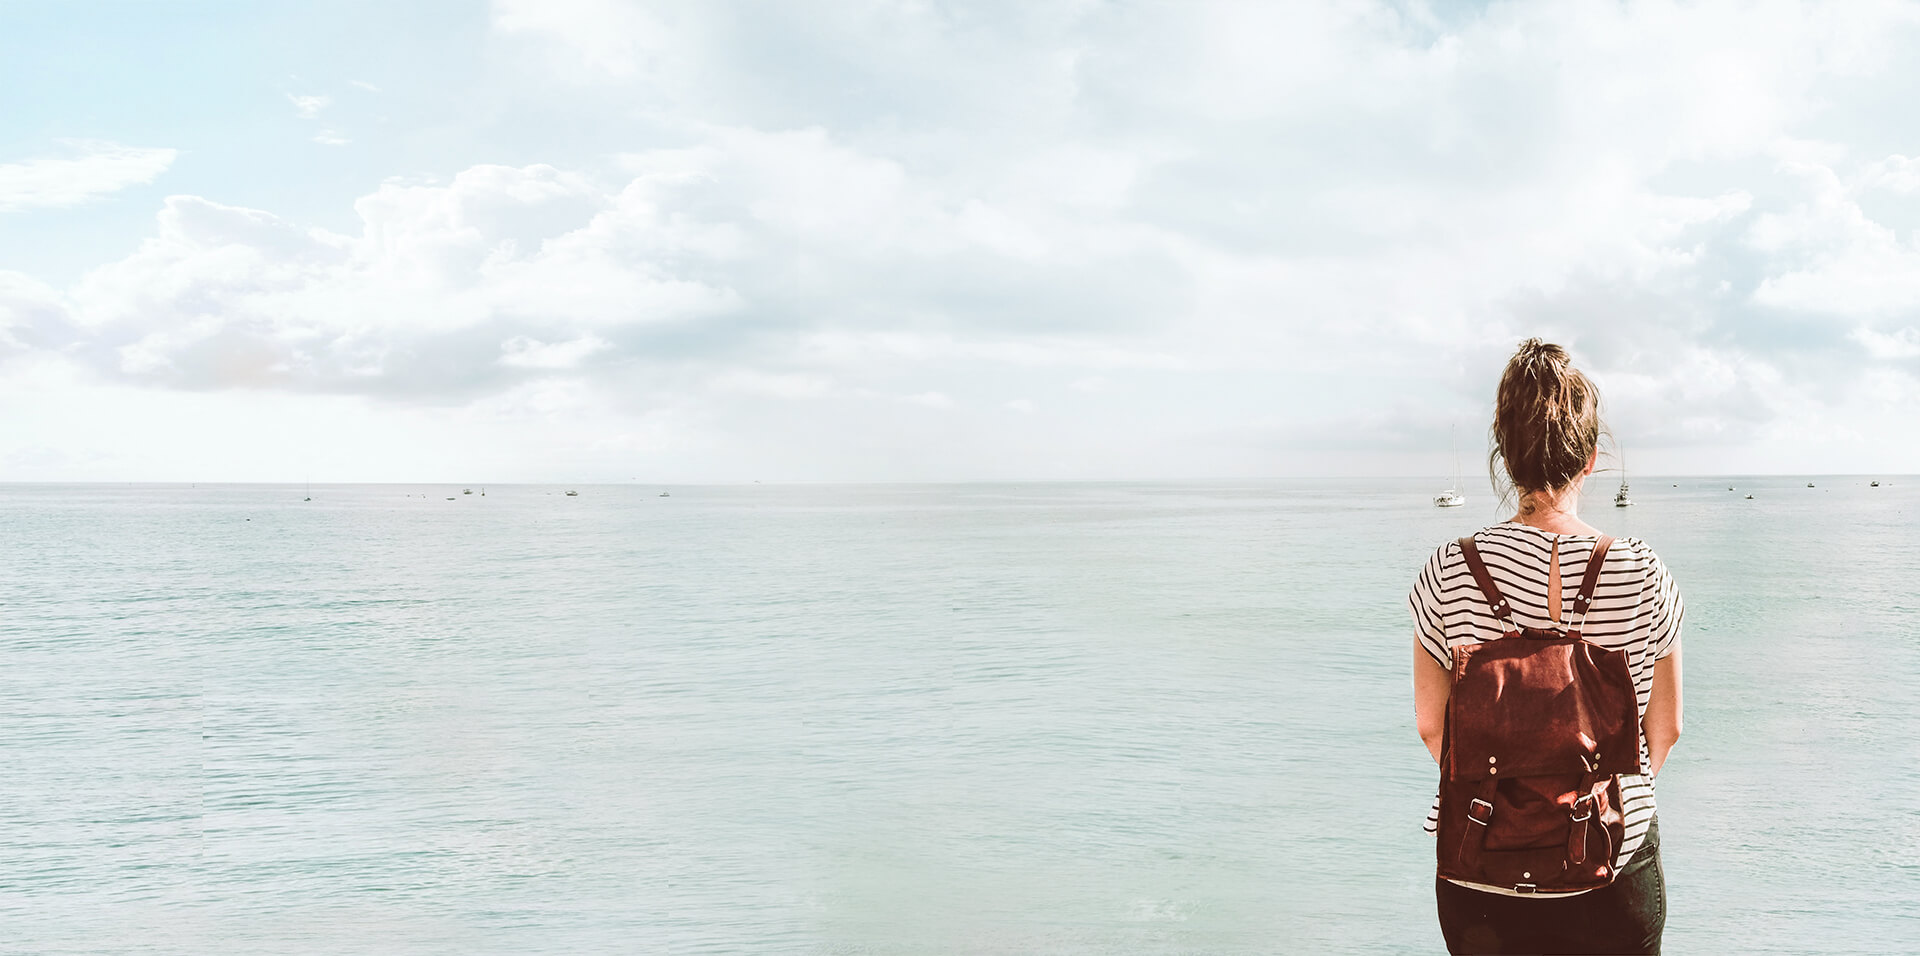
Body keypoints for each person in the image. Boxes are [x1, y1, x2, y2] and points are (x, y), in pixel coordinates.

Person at [1409, 339, 1684, 955]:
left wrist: (1517, 804)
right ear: (1591, 458)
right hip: (1611, 864)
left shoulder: (1447, 569)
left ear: (1505, 455)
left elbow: (1433, 727)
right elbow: (1664, 730)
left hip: (1481, 863)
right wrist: (1581, 801)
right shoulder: (1642, 571)